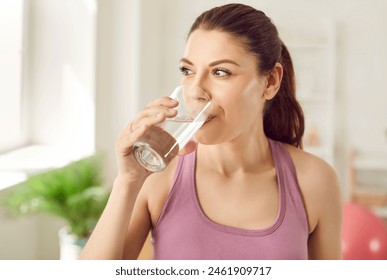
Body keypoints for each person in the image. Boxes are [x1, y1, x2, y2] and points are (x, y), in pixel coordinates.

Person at [80, 3, 342, 260]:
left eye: (220, 72)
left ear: (270, 82)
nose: (194, 91)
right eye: (188, 70)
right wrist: (128, 181)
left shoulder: (315, 182)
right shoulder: (157, 177)